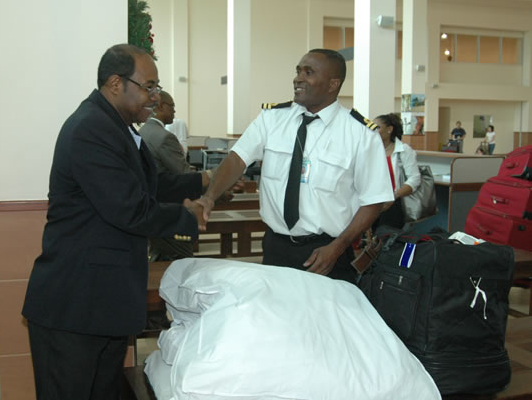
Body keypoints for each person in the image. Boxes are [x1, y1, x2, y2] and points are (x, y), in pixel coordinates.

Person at [22, 44, 206, 400]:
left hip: (102, 301)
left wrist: (202, 182)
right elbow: (129, 208)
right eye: (148, 86)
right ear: (115, 83)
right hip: (75, 305)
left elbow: (148, 185)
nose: (154, 96)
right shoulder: (91, 128)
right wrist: (187, 216)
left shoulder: (116, 127)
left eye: (157, 88)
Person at [197, 49, 393, 283]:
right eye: (298, 71)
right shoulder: (272, 118)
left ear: (333, 84)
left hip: (327, 251)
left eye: (308, 72)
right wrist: (210, 197)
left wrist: (338, 246)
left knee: (322, 319)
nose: (298, 78)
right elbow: (237, 159)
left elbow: (373, 200)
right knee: (276, 316)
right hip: (275, 246)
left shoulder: (359, 133)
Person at [139, 91, 199, 261]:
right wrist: (211, 181)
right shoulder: (165, 137)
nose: (174, 111)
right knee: (182, 258)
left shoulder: (142, 131)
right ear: (160, 106)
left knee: (160, 252)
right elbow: (183, 173)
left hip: (152, 208)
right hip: (169, 210)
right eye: (172, 106)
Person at [373, 113, 421, 229]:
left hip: (394, 203)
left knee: (387, 238)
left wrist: (394, 196)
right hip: (372, 202)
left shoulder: (403, 150)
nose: (373, 130)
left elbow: (414, 179)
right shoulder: (370, 150)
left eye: (377, 127)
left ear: (389, 129)